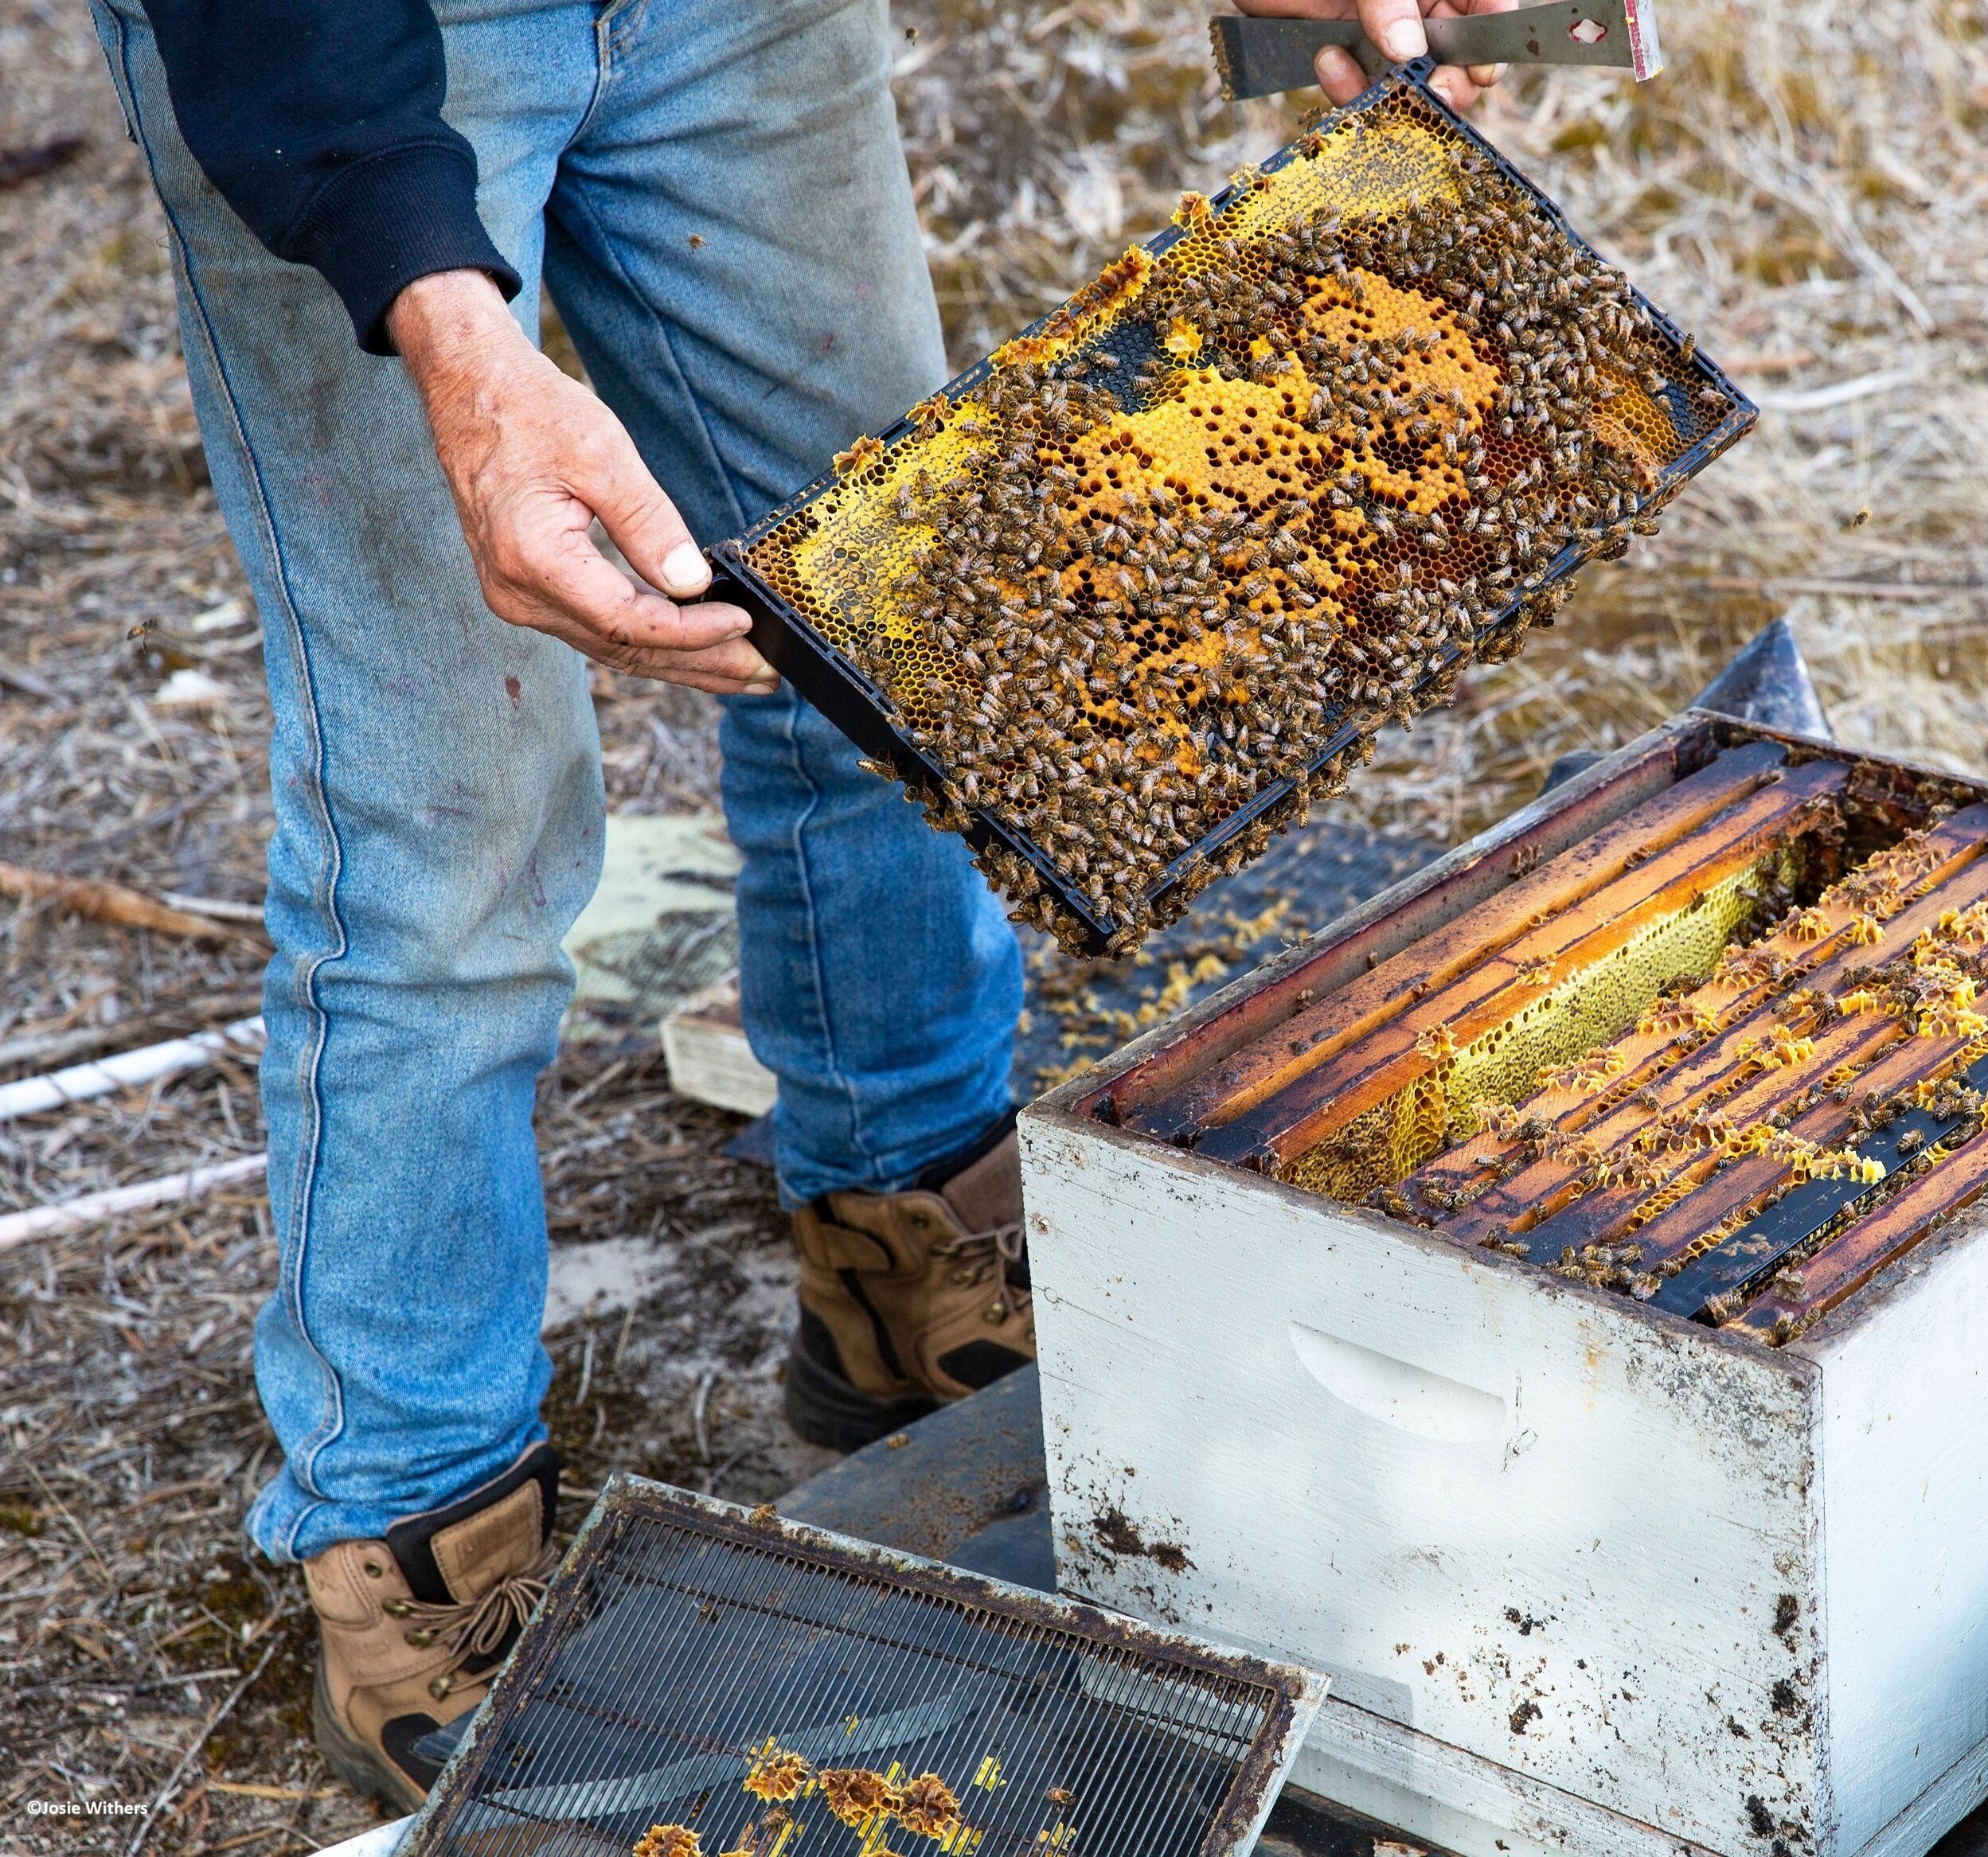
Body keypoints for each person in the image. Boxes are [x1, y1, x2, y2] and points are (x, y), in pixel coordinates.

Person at [90, 0, 1510, 1811]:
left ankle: (904, 1249)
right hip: (360, 49)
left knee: (886, 617)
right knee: (449, 815)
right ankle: (410, 1522)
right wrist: (443, 322)